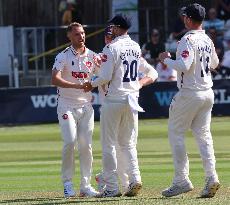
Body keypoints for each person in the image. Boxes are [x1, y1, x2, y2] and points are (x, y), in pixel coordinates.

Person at [83, 14, 157, 197]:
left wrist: (90, 83)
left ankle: (112, 188)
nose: (110, 33)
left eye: (111, 29)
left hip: (114, 100)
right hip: (131, 100)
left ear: (116, 28)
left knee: (109, 145)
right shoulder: (135, 46)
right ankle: (135, 179)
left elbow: (106, 76)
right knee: (128, 144)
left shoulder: (112, 48)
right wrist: (137, 84)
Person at [159, 3, 220, 198]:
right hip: (207, 93)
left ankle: (181, 181)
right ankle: (212, 177)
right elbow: (215, 64)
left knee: (176, 133)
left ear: (188, 19)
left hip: (190, 93)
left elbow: (184, 65)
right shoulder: (207, 39)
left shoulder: (187, 39)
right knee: (204, 136)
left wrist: (166, 59)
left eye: (184, 16)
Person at [51, 22, 99, 198]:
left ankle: (85, 186)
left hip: (86, 106)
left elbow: (104, 75)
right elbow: (54, 79)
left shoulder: (93, 56)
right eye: (77, 34)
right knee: (70, 141)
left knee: (86, 146)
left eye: (83, 33)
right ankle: (67, 184)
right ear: (69, 36)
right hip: (66, 105)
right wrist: (78, 86)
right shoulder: (62, 56)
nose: (82, 36)